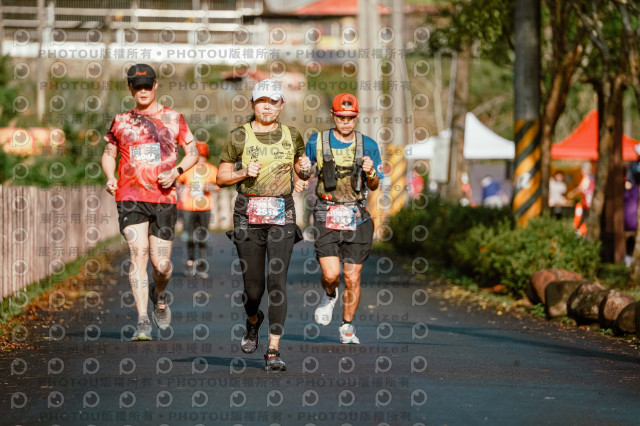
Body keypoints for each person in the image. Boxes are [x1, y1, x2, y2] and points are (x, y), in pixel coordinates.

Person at [216, 79, 311, 371]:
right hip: (248, 214)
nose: (267, 107)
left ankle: (273, 350)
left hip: (282, 212)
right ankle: (253, 320)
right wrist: (243, 171)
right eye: (261, 101)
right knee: (253, 289)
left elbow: (301, 169)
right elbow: (220, 177)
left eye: (273, 102)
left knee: (277, 281)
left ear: (281, 105)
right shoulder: (238, 136)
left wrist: (305, 170)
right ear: (253, 104)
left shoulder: (292, 135)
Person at [101, 63, 199, 340]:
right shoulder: (121, 121)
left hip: (163, 198)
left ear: (155, 86)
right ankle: (142, 319)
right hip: (130, 196)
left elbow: (193, 152)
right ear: (130, 88)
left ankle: (160, 294)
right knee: (138, 253)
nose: (142, 91)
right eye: (137, 86)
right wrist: (110, 176)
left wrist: (177, 171)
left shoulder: (174, 118)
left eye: (147, 86)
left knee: (162, 265)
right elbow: (108, 153)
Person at [305, 93, 383, 344]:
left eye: (350, 118)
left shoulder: (368, 145)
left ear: (356, 117)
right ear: (333, 115)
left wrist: (371, 173)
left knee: (352, 277)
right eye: (341, 117)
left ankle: (347, 326)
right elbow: (303, 171)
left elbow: (374, 185)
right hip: (326, 213)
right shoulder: (317, 142)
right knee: (331, 274)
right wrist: (300, 172)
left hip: (356, 216)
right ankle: (329, 295)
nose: (346, 122)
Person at [177, 141, 220, 278]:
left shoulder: (212, 170)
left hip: (205, 207)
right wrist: (181, 195)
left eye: (203, 157)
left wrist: (210, 187)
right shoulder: (187, 169)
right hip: (189, 207)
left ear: (206, 156)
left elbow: (219, 185)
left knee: (202, 236)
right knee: (189, 236)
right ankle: (190, 261)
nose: (200, 160)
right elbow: (178, 182)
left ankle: (201, 264)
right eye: (198, 156)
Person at [567, 162, 595, 236]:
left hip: (588, 202)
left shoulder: (587, 177)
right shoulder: (592, 177)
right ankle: (582, 230)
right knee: (585, 215)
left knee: (584, 216)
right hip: (589, 202)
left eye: (582, 169)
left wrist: (572, 193)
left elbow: (581, 187)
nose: (581, 171)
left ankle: (579, 231)